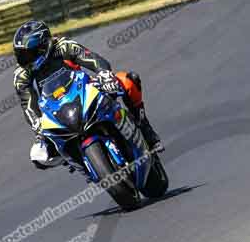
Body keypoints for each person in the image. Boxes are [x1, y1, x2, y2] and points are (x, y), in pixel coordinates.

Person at [12, 20, 163, 169]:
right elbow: (28, 105)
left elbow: (93, 59)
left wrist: (104, 74)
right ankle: (78, 163)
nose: (24, 60)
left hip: (86, 91)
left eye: (28, 54)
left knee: (128, 81)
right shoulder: (22, 75)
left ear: (43, 46)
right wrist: (37, 124)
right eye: (21, 55)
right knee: (39, 155)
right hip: (56, 109)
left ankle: (146, 129)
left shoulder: (63, 46)